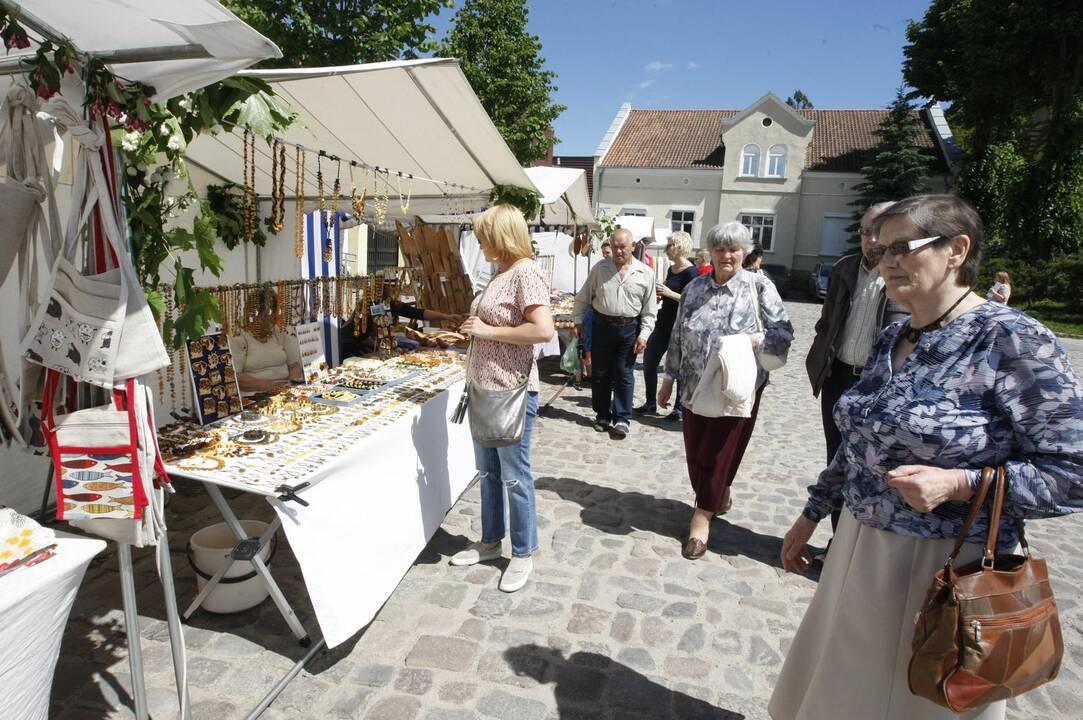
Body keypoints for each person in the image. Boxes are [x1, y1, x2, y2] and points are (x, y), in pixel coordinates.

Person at [772, 194, 1083, 720]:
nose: (884, 261)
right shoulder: (895, 335)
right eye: (878, 249)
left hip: (943, 568)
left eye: (901, 247)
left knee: (917, 700)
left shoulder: (1013, 340)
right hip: (859, 548)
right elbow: (859, 442)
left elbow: (1073, 472)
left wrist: (958, 483)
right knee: (846, 693)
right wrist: (811, 516)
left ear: (957, 250)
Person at [658, 222, 793, 559]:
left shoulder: (759, 287)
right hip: (692, 383)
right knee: (696, 452)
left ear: (743, 252)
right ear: (711, 253)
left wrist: (753, 340)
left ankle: (702, 517)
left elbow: (784, 333)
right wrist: (669, 377)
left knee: (717, 453)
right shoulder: (694, 288)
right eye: (720, 249)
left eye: (733, 249)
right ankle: (720, 492)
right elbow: (677, 333)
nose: (726, 255)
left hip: (736, 388)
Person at [450, 204, 554, 593]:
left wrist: (488, 332)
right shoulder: (502, 272)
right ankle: (491, 542)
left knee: (515, 476)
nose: (479, 244)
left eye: (483, 237)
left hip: (511, 390)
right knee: (489, 473)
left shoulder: (526, 272)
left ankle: (523, 553)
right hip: (485, 387)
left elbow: (543, 331)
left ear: (501, 235)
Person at [804, 201, 907, 554]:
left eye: (880, 231)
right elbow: (827, 320)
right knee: (837, 459)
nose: (872, 239)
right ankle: (838, 543)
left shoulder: (902, 274)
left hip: (879, 387)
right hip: (839, 379)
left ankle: (861, 548)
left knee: (875, 467)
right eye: (866, 231)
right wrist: (820, 356)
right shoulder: (845, 268)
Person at [573, 228, 657, 438]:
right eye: (615, 246)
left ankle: (622, 418)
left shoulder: (645, 273)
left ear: (633, 247)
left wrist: (644, 334)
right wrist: (578, 321)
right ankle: (602, 415)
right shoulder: (600, 269)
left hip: (629, 328)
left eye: (623, 247)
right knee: (600, 373)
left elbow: (649, 310)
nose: (618, 251)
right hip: (602, 326)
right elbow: (583, 298)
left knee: (624, 373)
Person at [634, 231, 698, 420]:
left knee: (679, 368)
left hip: (680, 327)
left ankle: (678, 408)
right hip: (663, 324)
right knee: (649, 361)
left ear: (679, 248)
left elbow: (693, 302)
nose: (666, 249)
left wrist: (669, 293)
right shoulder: (671, 269)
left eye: (669, 245)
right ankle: (650, 403)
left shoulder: (691, 272)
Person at [231, 289, 303, 393]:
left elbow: (294, 366)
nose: (268, 323)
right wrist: (266, 386)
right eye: (263, 318)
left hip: (285, 391)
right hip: (254, 395)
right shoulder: (237, 334)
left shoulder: (280, 329)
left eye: (271, 318)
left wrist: (291, 385)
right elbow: (235, 376)